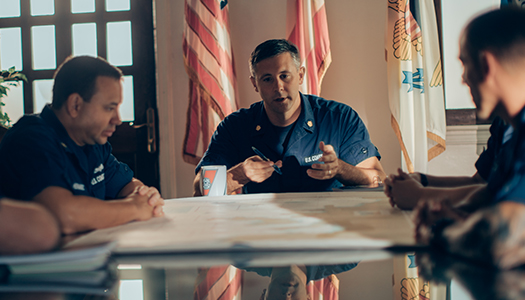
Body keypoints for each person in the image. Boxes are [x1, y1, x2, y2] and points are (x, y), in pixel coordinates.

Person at [193, 39, 385, 195]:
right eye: (267, 79)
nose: (278, 87)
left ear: (300, 75)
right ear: (255, 84)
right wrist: (239, 175)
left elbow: (379, 179)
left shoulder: (339, 119)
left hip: (325, 231)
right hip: (260, 232)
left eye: (285, 76)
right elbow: (199, 188)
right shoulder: (235, 126)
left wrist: (340, 169)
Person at [412, 8, 525, 269]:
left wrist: (442, 230)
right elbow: (494, 199)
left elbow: (507, 240)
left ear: (486, 65)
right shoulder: (515, 132)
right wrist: (455, 218)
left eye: (465, 64)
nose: (463, 79)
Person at [0, 56, 164, 235]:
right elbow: (65, 216)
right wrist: (134, 208)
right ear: (75, 105)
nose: (118, 119)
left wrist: (144, 196)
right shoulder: (31, 140)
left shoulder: (92, 140)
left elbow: (126, 185)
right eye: (109, 108)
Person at [384, 116, 512, 210]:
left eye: (471, 76)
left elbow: (500, 197)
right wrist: (421, 179)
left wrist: (420, 195)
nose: (465, 81)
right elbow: (480, 181)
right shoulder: (502, 122)